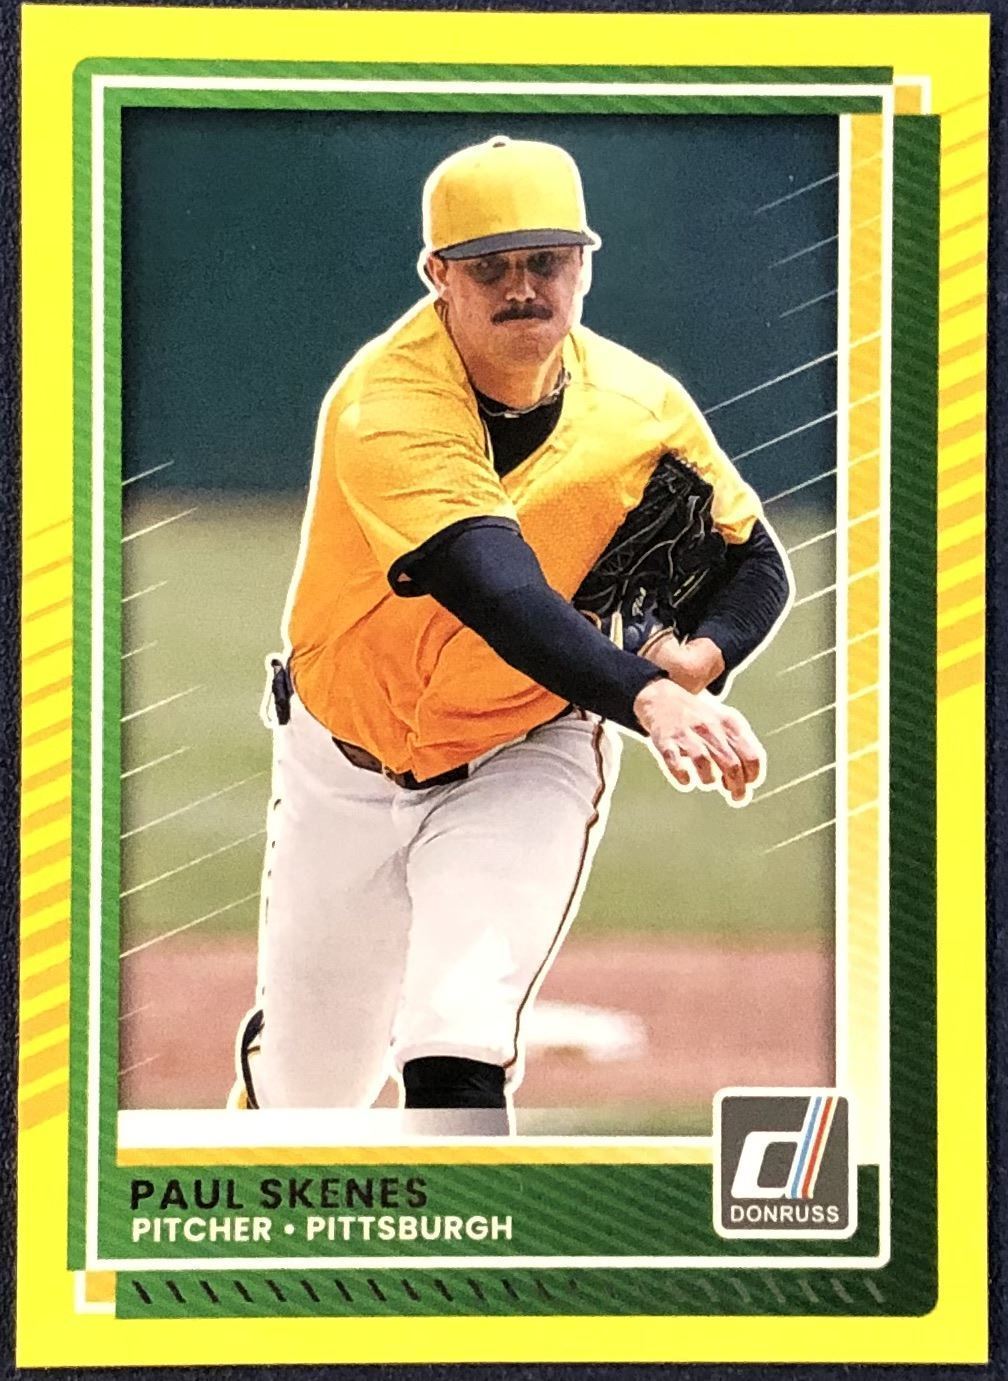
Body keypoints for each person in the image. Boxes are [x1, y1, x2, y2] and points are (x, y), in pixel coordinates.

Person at [231, 136, 792, 1133]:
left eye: (547, 261)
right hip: (343, 762)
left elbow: (754, 561)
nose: (523, 287)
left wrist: (699, 659)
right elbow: (493, 587)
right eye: (489, 267)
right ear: (438, 276)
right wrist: (649, 696)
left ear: (584, 266)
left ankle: (468, 1234)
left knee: (456, 1026)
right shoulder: (387, 402)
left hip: (523, 751)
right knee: (308, 1094)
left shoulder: (639, 409)